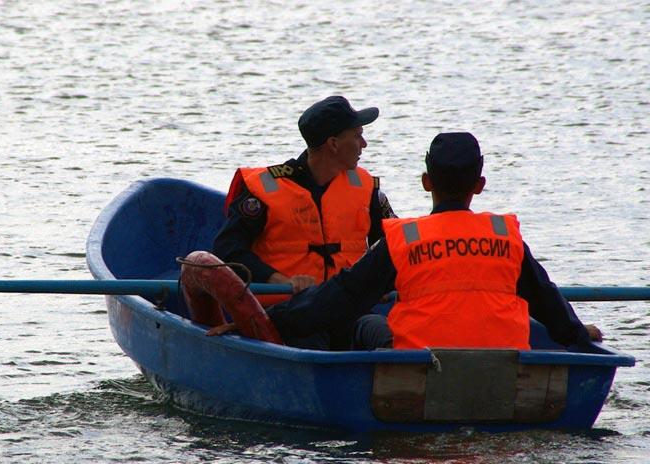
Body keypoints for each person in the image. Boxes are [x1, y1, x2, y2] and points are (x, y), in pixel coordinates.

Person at [263, 132, 602, 350]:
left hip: (421, 372)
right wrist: (579, 336)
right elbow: (548, 302)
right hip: (504, 369)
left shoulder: (403, 240)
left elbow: (341, 297)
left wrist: (273, 321)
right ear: (480, 185)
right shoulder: (506, 238)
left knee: (367, 327)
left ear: (426, 182)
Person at [212, 95, 397, 307]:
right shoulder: (265, 189)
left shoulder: (364, 187)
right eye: (357, 136)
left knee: (378, 332)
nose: (364, 144)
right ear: (333, 144)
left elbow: (394, 241)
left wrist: (382, 282)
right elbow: (227, 249)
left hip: (349, 310)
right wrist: (279, 279)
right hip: (287, 312)